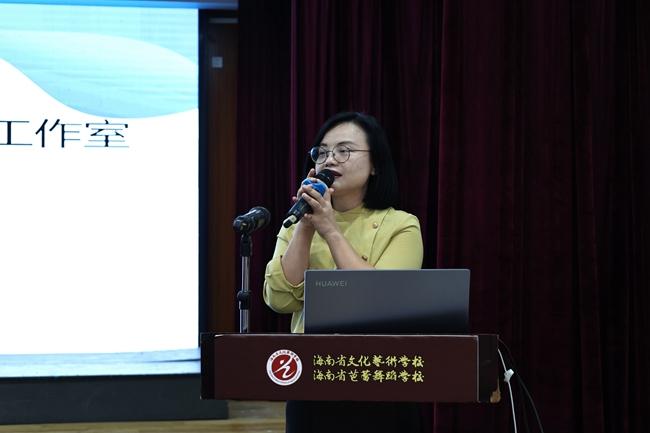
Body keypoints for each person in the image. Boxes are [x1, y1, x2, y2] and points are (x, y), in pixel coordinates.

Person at [263, 112, 430, 433]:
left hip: (381, 374)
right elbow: (279, 299)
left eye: (344, 151)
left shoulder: (401, 225)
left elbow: (381, 301)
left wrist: (330, 229)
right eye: (322, 152)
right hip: (313, 375)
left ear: (375, 164)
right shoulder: (296, 223)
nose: (330, 160)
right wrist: (306, 227)